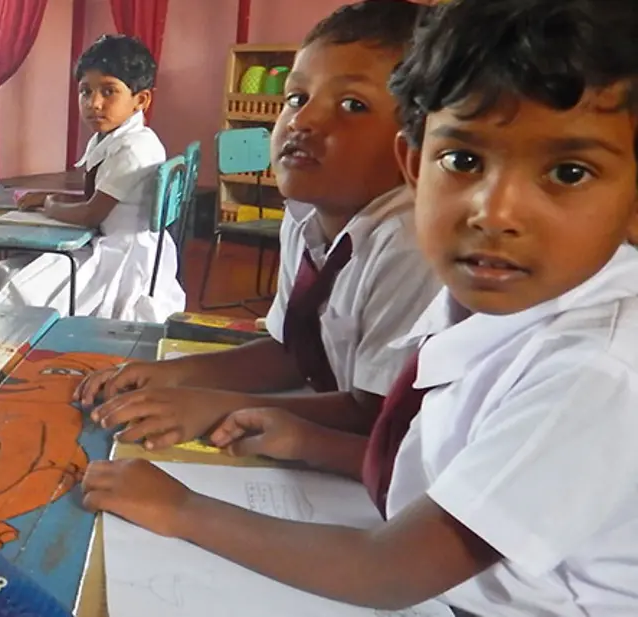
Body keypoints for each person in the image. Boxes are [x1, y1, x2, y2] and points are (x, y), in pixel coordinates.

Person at [84, 0, 638, 612]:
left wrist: (181, 508)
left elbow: (391, 571)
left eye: (568, 171)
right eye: (463, 160)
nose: (495, 212)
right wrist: (303, 440)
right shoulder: (486, 302)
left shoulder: (598, 366)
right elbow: (435, 459)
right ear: (416, 164)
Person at [77, 1, 440, 478]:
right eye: (296, 97)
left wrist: (213, 407)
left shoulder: (410, 243)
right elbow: (292, 352)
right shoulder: (305, 215)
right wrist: (174, 375)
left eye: (353, 105)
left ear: (420, 141)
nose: (302, 122)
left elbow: (374, 415)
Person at [0, 35, 185, 322]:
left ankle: (21, 349)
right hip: (109, 244)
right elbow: (95, 198)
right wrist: (52, 199)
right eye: (86, 91)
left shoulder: (134, 148)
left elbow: (90, 214)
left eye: (109, 91)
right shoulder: (109, 138)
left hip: (120, 259)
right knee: (7, 274)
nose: (94, 103)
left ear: (141, 100)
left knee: (20, 288)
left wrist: (49, 204)